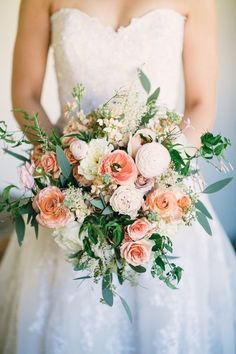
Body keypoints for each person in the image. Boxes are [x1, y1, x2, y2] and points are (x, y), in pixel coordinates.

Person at [0, 0, 236, 353]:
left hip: (162, 195)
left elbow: (201, 103)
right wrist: (67, 172)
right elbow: (26, 95)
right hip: (71, 200)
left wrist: (159, 175)